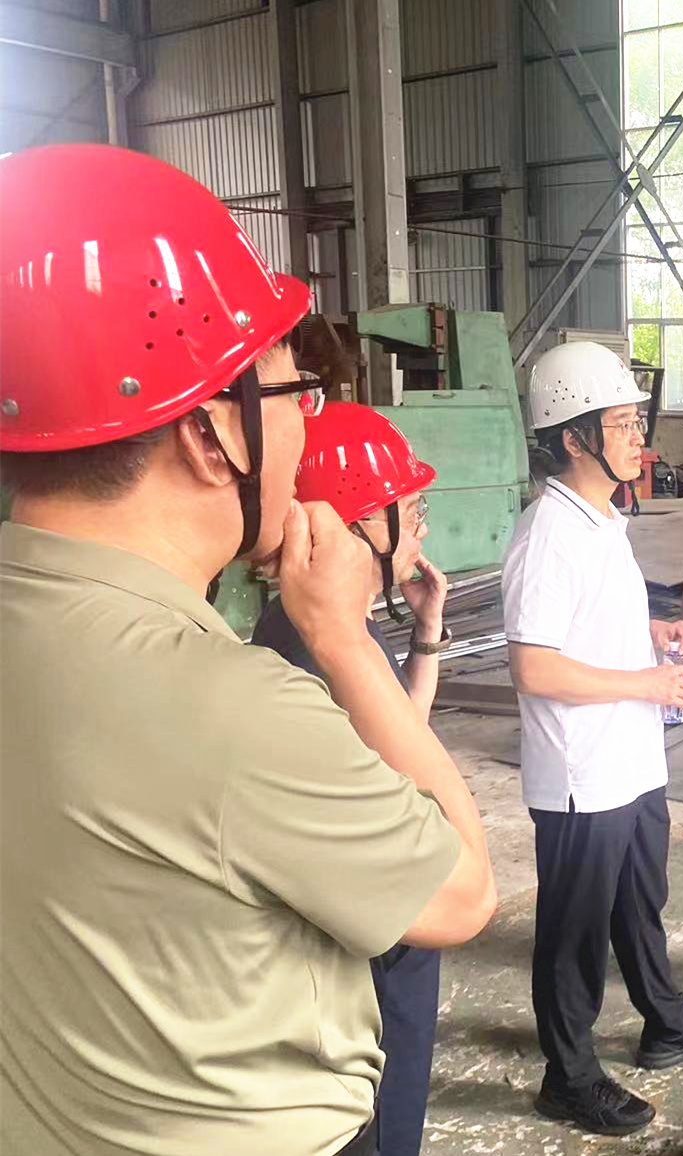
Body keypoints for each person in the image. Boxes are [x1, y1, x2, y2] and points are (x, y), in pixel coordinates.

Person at [0, 144, 496, 1156]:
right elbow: (461, 891)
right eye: (292, 391)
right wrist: (341, 636)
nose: (306, 430)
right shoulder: (230, 704)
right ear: (213, 435)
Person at [503, 341, 683, 1137]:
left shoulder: (602, 518)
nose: (638, 437)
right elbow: (534, 666)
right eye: (621, 424)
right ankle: (568, 1077)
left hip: (630, 762)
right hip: (582, 775)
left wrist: (652, 633)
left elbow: (587, 625)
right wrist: (644, 685)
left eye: (636, 421)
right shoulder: (548, 532)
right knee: (574, 932)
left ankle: (665, 1022)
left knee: (641, 903)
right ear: (573, 438)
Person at [250, 401, 452, 1156]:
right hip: (371, 939)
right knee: (385, 1120)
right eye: (411, 508)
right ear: (357, 524)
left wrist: (426, 635)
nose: (421, 527)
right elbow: (425, 800)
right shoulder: (312, 653)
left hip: (379, 918)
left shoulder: (336, 628)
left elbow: (403, 736)